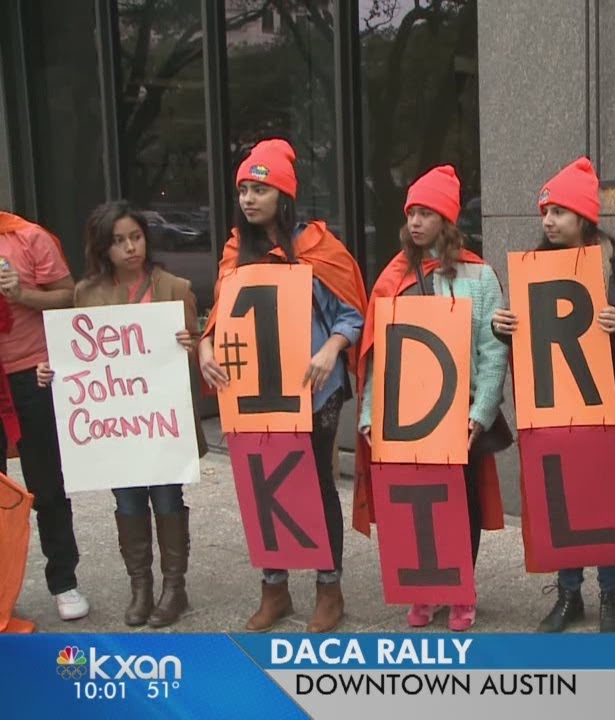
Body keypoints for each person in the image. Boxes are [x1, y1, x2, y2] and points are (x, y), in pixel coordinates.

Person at [197, 139, 366, 633]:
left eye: (260, 190)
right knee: (263, 483)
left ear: (284, 195)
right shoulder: (235, 250)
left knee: (316, 484)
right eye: (243, 190)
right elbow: (221, 315)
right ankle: (275, 589)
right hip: (255, 392)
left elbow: (352, 313)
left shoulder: (320, 247)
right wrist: (205, 347)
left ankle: (329, 590)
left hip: (314, 389)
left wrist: (331, 348)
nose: (249, 199)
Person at [490, 157, 615, 633]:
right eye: (545, 212)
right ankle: (569, 594)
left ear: (584, 216)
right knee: (559, 494)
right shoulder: (534, 265)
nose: (548, 220)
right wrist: (501, 327)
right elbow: (525, 335)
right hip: (555, 399)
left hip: (612, 398)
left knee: (607, 494)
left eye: (559, 211)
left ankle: (610, 594)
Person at [36, 201, 208, 627]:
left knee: (167, 498)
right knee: (128, 500)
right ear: (103, 247)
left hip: (162, 424)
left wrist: (192, 345)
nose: (130, 247)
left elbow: (196, 352)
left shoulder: (175, 287)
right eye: (118, 241)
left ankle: (174, 588)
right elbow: (80, 357)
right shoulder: (86, 294)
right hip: (115, 426)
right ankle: (141, 587)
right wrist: (51, 370)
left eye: (136, 237)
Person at [354, 165, 508, 632]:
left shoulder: (480, 277)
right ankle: (425, 588)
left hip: (459, 413)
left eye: (426, 213)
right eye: (411, 214)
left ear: (447, 219)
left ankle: (460, 589)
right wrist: (369, 413)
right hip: (406, 415)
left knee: (460, 501)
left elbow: (492, 351)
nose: (416, 222)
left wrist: (481, 413)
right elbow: (378, 354)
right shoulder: (394, 277)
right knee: (413, 500)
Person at [0, 210, 87, 621]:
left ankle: (64, 581)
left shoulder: (28, 237)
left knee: (47, 483)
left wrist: (23, 294)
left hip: (31, 373)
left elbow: (69, 295)